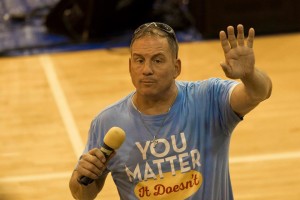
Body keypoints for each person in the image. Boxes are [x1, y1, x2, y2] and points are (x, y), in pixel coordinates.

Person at [69, 22, 272, 200]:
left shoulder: (209, 98)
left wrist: (250, 75)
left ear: (176, 67)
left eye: (157, 60)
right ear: (130, 66)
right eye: (139, 60)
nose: (147, 69)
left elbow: (259, 93)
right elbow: (82, 194)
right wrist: (82, 179)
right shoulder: (107, 122)